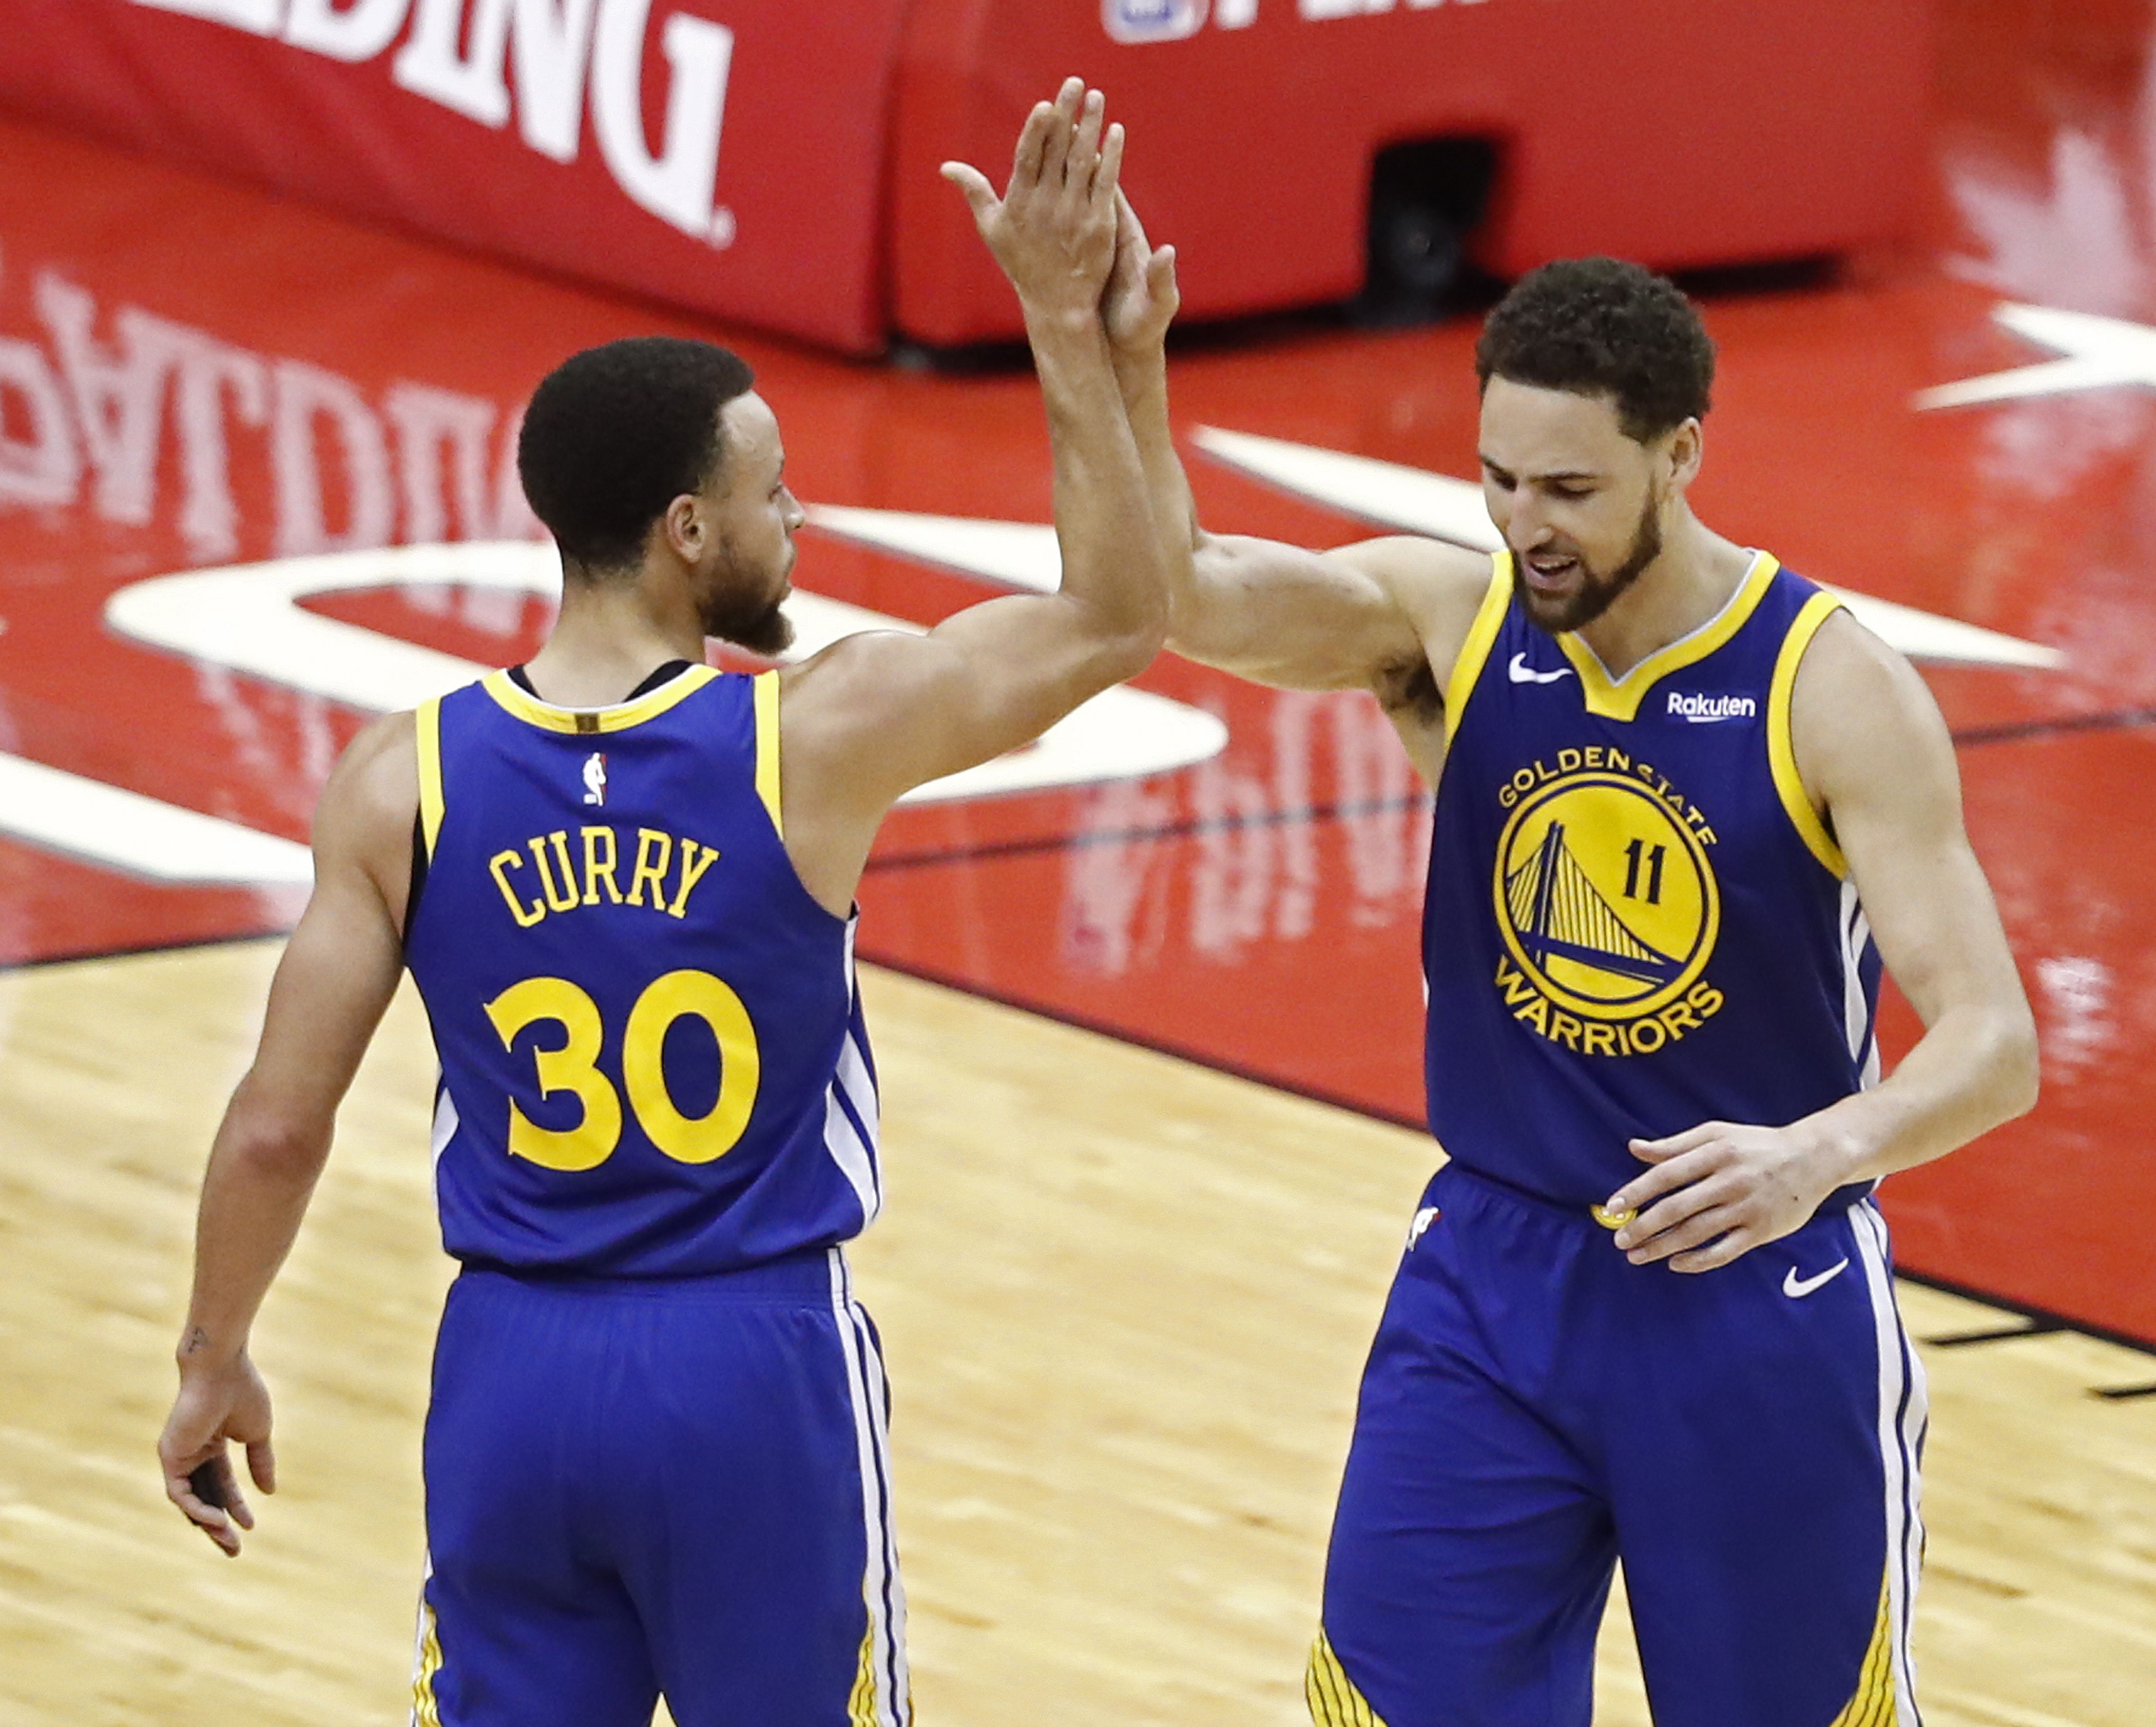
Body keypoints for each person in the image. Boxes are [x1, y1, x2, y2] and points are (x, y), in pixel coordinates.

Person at [155, 78, 1164, 1727]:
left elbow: (276, 1126)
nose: (800, 518)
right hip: (751, 1361)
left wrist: (213, 1355)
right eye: (775, 494)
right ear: (688, 531)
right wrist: (1073, 325)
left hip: (512, 1372)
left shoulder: (399, 778)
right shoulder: (813, 738)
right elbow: (1119, 616)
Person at [1097, 222, 2038, 1726]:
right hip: (1492, 1273)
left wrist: (1819, 1156)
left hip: (1751, 1298)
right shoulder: (1457, 626)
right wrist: (1120, 364)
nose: (1528, 526)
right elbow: (1184, 596)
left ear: (1681, 455)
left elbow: (1994, 1041)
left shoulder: (1832, 688)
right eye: (1501, 482)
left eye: (1573, 492)